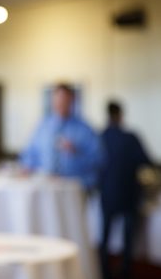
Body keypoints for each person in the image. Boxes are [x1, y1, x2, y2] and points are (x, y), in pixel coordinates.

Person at [99, 101, 153, 279]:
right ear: (121, 115)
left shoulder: (100, 137)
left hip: (107, 194)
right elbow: (146, 161)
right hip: (129, 194)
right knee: (127, 237)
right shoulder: (131, 137)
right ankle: (125, 270)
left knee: (105, 235)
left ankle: (103, 270)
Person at [19, 83, 104, 190]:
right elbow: (29, 154)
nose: (61, 103)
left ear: (72, 101)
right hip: (46, 186)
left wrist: (76, 152)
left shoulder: (85, 130)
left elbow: (98, 160)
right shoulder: (42, 127)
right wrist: (27, 167)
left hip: (75, 188)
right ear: (52, 101)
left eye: (64, 100)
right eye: (57, 99)